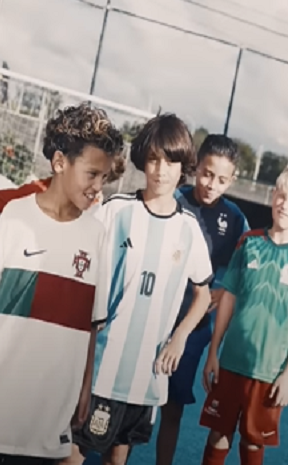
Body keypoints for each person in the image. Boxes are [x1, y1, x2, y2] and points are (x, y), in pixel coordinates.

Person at [0, 103, 124, 465]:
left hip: (49, 402)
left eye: (104, 178)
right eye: (91, 174)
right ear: (59, 162)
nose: (97, 187)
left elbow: (91, 325)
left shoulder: (98, 235)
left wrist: (85, 386)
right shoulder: (15, 215)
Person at [64, 114, 213, 465]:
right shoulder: (116, 211)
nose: (161, 171)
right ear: (143, 161)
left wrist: (179, 337)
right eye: (154, 160)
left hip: (148, 373)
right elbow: (78, 257)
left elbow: (204, 294)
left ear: (183, 167)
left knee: (118, 458)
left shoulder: (189, 229)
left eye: (171, 162)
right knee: (71, 456)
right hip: (100, 366)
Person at [199, 167, 288, 465]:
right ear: (272, 196)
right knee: (218, 434)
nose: (285, 204)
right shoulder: (248, 242)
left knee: (253, 440)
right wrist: (214, 351)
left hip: (270, 370)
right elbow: (228, 298)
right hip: (231, 362)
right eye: (281, 195)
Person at [157, 134, 249, 465]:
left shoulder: (234, 218)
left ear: (232, 180)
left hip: (194, 329)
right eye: (207, 174)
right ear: (197, 167)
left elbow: (248, 267)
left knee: (172, 408)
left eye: (222, 179)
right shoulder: (173, 198)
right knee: (131, 403)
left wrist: (224, 291)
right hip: (153, 316)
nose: (212, 184)